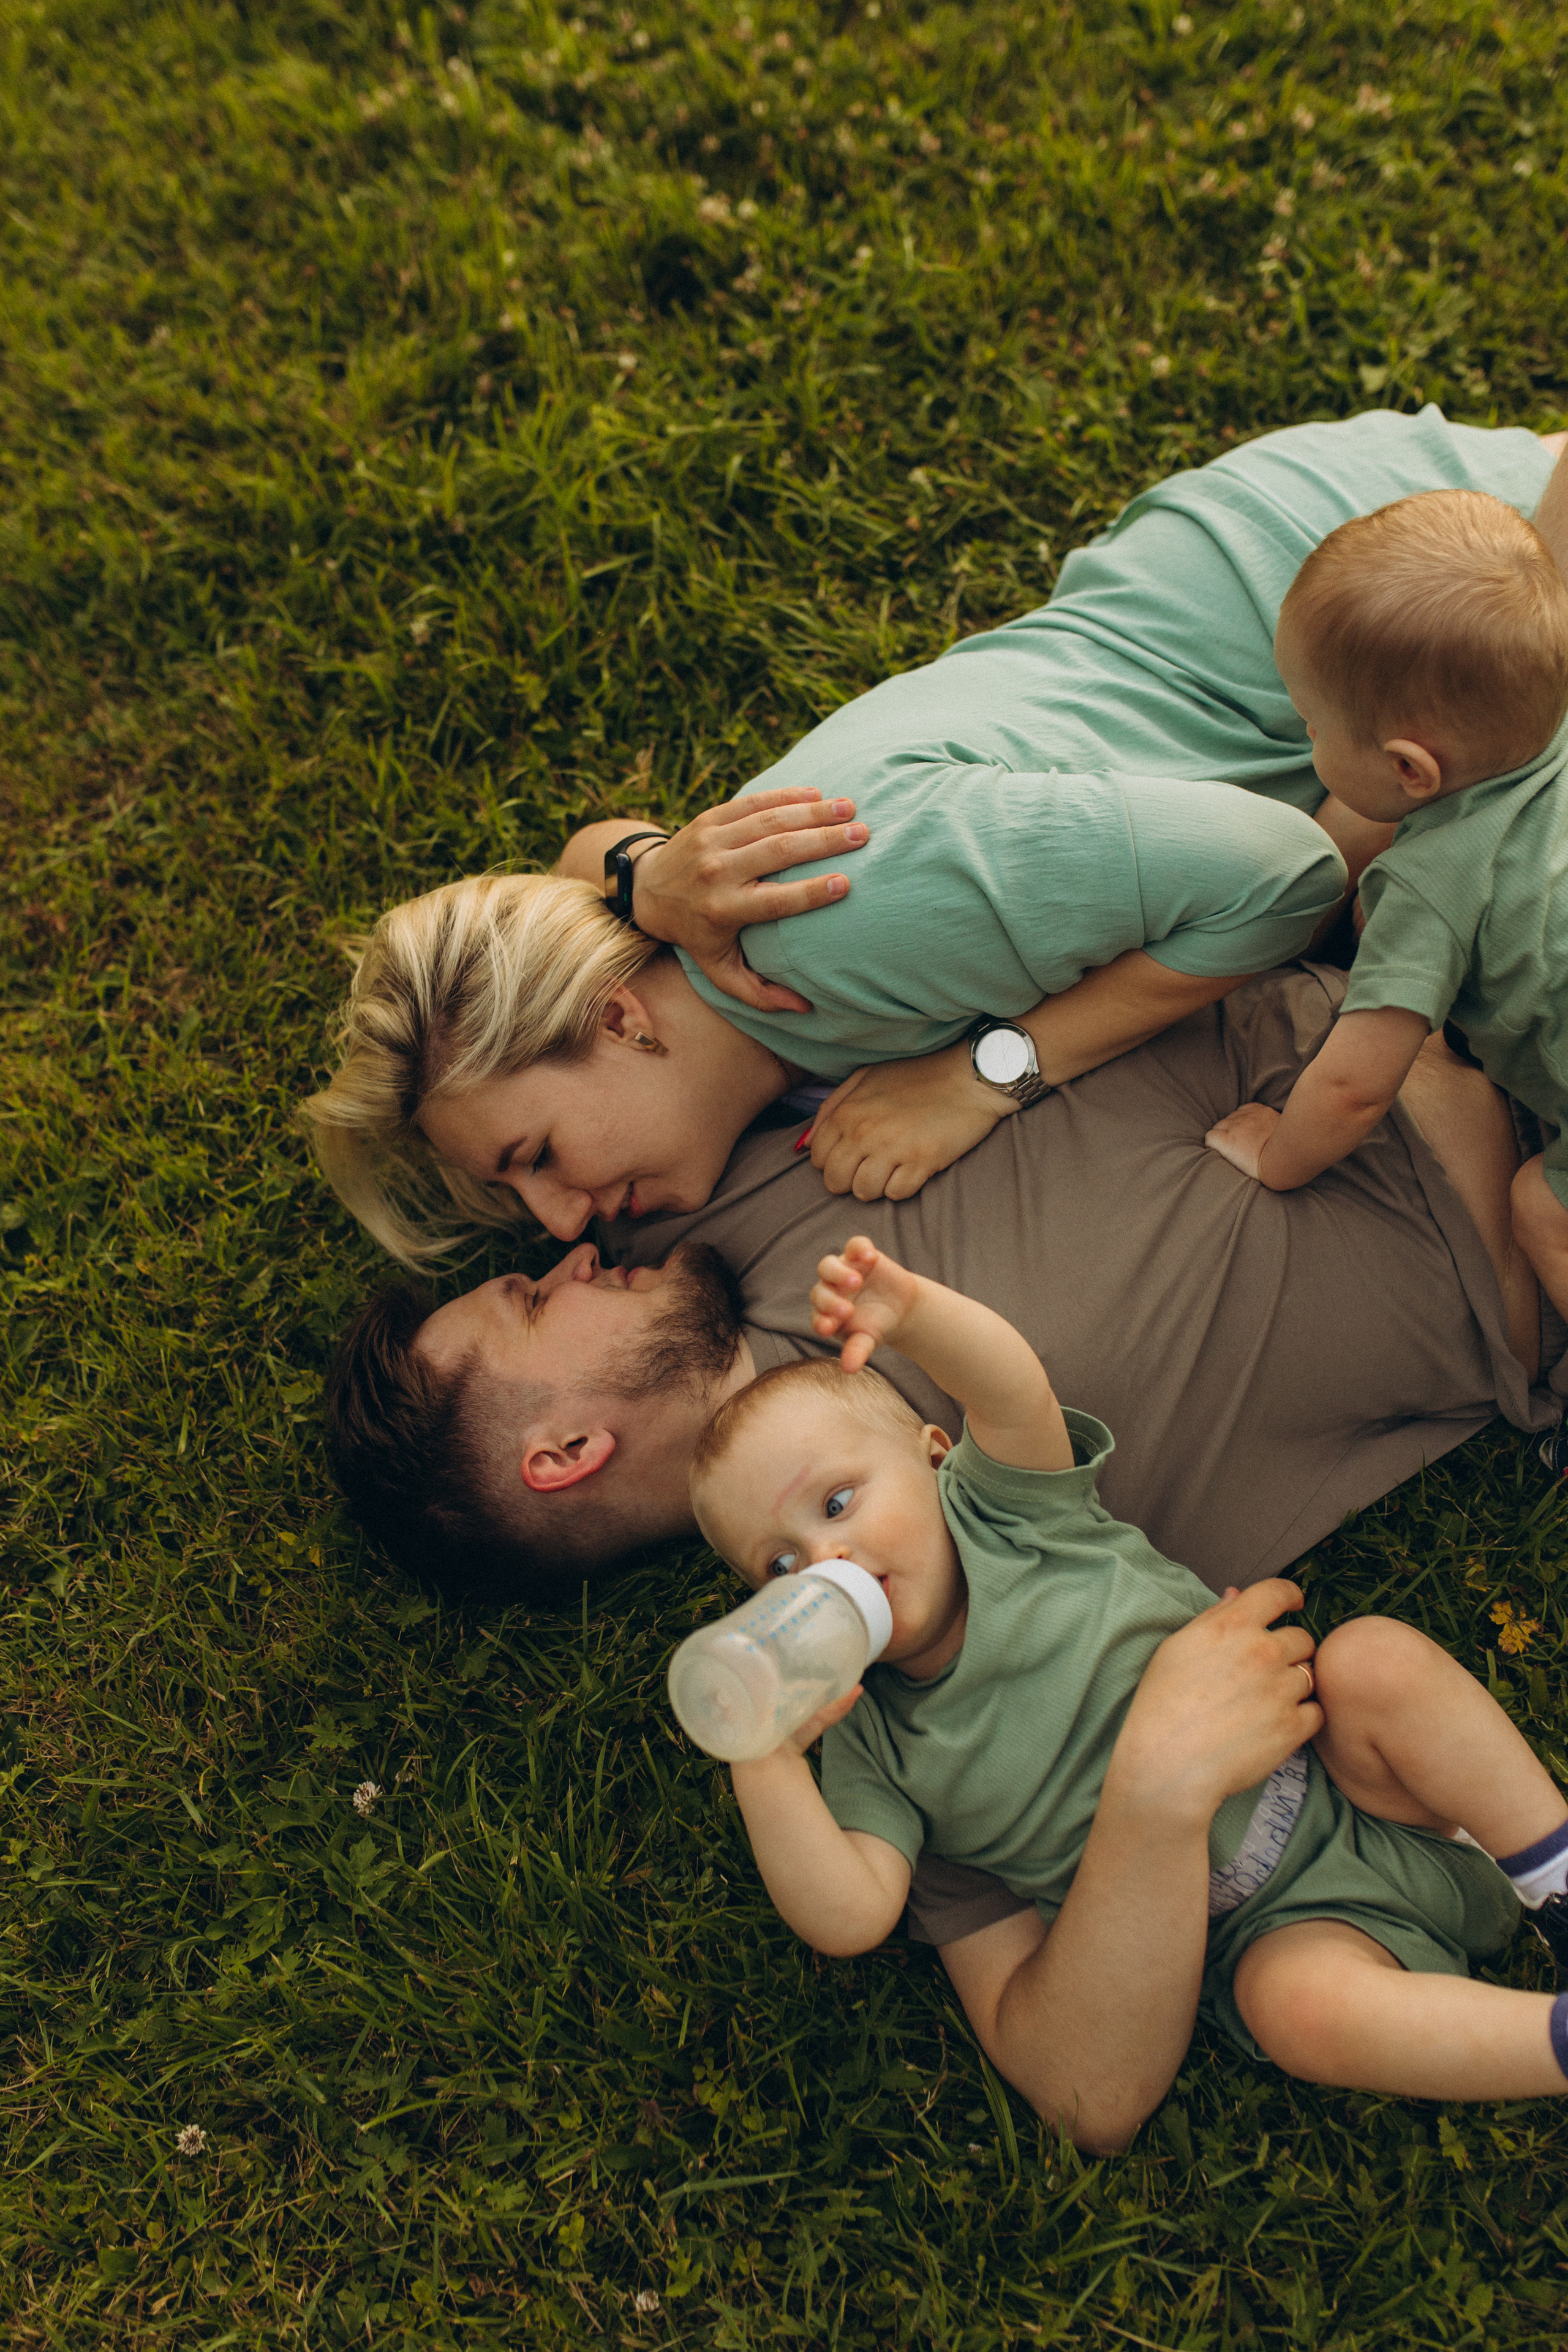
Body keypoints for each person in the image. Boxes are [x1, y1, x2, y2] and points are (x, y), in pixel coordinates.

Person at [301, 412, 1568, 1260]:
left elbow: (1275, 878)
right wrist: (635, 874)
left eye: (535, 1158)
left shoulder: (845, 926)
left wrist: (989, 1075)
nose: (565, 1223)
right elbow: (591, 852)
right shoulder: (699, 942)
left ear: (616, 1020)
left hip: (1403, 607)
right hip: (1284, 594)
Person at [685, 1234, 1568, 2138]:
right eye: (779, 1566)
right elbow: (851, 1913)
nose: (824, 1562)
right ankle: (1552, 2042)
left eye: (837, 1503)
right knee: (1295, 2011)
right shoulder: (871, 1735)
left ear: (936, 1457)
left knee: (1373, 1661)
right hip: (1257, 1930)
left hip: (1349, 1780)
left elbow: (1011, 1386)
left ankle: (1557, 1876)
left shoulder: (1008, 1514)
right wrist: (762, 1760)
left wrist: (914, 1317)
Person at [324, 965, 1555, 1602]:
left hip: (1409, 960)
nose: (568, 1253)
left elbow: (604, 935)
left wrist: (644, 867)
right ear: (567, 1451)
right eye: (536, 1302)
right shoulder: (918, 1578)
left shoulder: (693, 1222)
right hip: (1510, 1210)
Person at [1204, 491, 1568, 1384]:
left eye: (1314, 726)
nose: (1308, 739)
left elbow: (1357, 1087)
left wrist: (1279, 1153)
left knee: (1543, 1207)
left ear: (1409, 769)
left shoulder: (1431, 882)